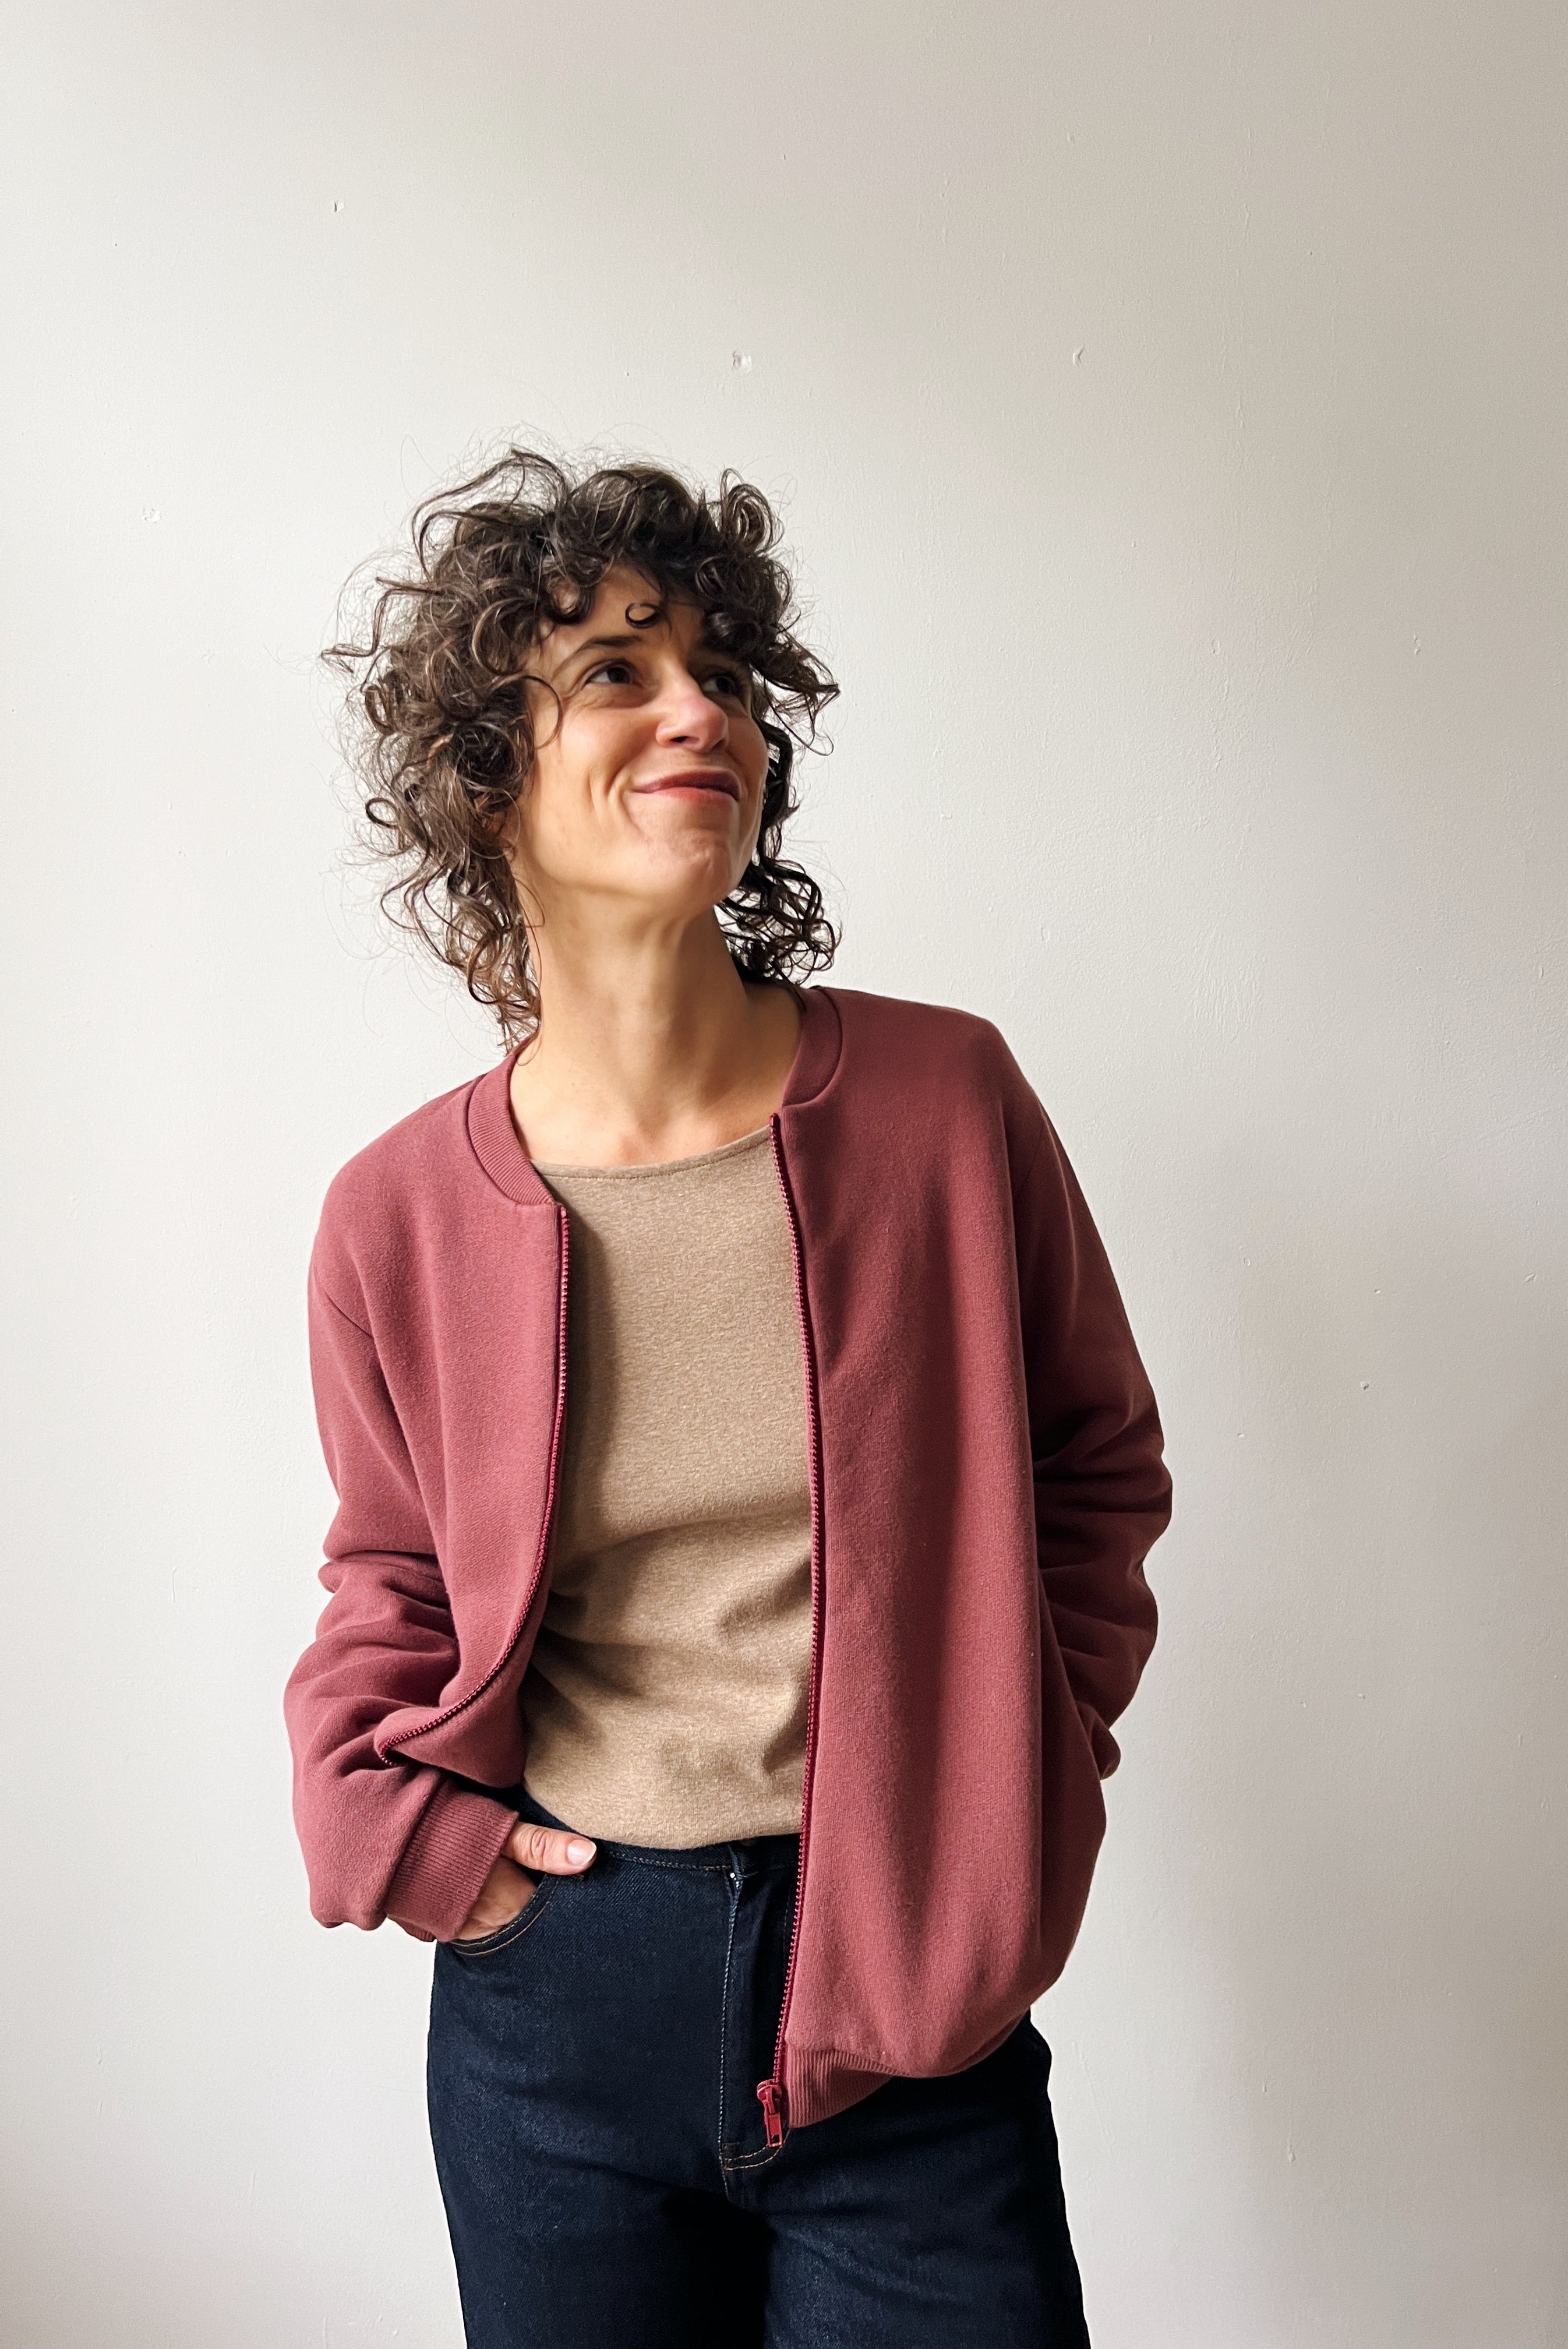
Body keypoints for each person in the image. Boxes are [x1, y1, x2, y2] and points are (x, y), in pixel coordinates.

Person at [284, 450, 1173, 2348]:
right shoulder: (393, 1217)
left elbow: (1094, 1471)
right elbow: (392, 1582)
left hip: (909, 2003)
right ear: (485, 777)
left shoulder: (945, 1108)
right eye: (614, 670)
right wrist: (425, 1851)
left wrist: (1012, 1776)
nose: (700, 709)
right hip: (554, 2017)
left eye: (719, 670)